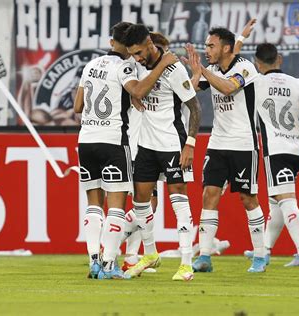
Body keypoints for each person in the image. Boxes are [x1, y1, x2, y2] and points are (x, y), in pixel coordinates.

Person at [73, 21, 177, 279]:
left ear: (111, 42)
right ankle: (109, 264)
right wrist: (162, 65)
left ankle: (93, 262)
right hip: (113, 141)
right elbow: (139, 90)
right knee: (116, 206)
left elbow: (77, 106)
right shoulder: (125, 66)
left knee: (93, 205)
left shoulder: (90, 66)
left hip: (86, 140)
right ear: (129, 47)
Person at [122, 24, 202, 281]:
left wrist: (190, 143)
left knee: (179, 201)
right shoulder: (137, 67)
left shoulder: (174, 69)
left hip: (172, 144)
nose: (136, 58)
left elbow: (195, 108)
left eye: (138, 52)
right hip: (146, 144)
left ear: (149, 44)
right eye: (132, 54)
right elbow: (136, 89)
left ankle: (186, 263)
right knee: (141, 201)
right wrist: (134, 95)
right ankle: (150, 254)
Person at [184, 27, 267, 273]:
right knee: (209, 194)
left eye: (211, 46)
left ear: (227, 48)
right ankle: (205, 257)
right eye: (207, 46)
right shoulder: (214, 70)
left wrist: (204, 72)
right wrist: (194, 74)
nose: (207, 50)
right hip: (218, 143)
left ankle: (261, 256)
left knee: (248, 198)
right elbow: (190, 90)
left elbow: (228, 88)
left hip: (243, 143)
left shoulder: (245, 68)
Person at [243, 43, 299, 267]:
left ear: (257, 63)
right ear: (280, 59)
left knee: (286, 201)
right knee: (276, 202)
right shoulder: (298, 84)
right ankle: (264, 250)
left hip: (275, 150)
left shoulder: (256, 82)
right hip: (296, 150)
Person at [121, 31, 171, 273]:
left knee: (148, 204)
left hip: (152, 143)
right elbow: (137, 91)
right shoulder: (138, 73)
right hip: (137, 145)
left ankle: (131, 255)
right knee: (145, 203)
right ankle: (108, 246)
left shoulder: (158, 76)